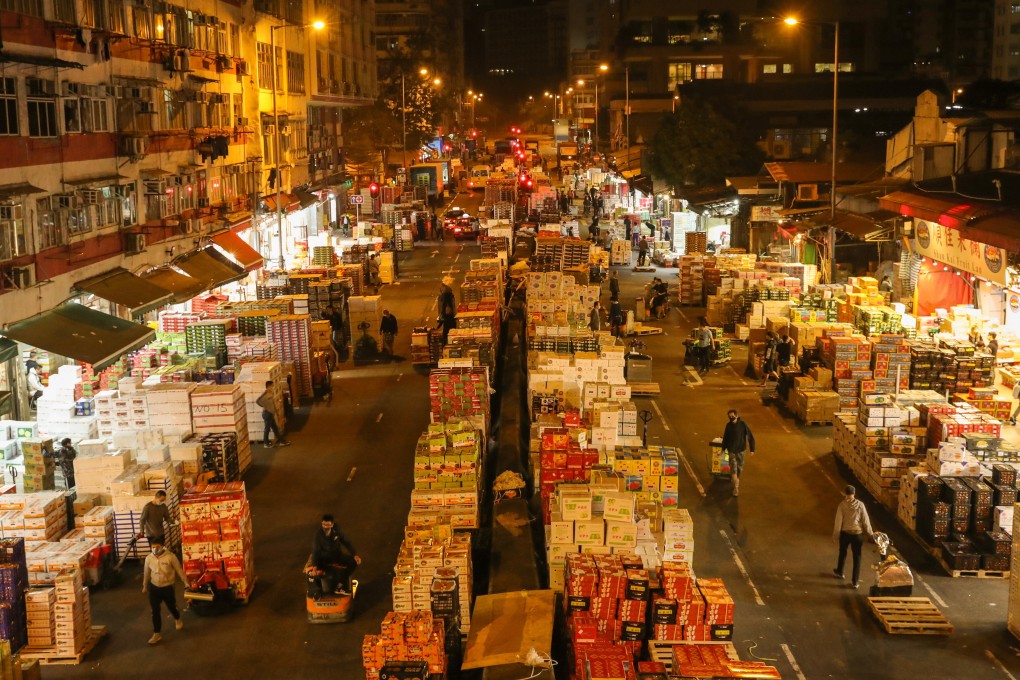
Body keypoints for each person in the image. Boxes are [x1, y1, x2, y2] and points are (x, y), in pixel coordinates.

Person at [142, 538, 186, 645]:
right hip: (154, 588)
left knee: (171, 606)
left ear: (162, 546)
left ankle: (177, 618)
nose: (155, 549)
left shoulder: (171, 557)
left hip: (167, 587)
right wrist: (144, 585)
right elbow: (146, 573)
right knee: (155, 611)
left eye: (157, 547)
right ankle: (157, 633)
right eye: (153, 547)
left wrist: (186, 582)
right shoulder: (149, 558)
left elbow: (179, 570)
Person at [832, 485, 875, 589]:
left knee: (843, 552)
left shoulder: (842, 505)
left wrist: (835, 536)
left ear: (845, 493)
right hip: (857, 534)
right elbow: (865, 521)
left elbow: (838, 522)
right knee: (857, 557)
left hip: (845, 534)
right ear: (854, 493)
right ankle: (855, 582)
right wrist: (871, 534)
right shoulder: (861, 505)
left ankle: (840, 571)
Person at [311, 514, 362, 596]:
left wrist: (355, 555)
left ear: (332, 524)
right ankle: (320, 590)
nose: (325, 527)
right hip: (324, 559)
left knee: (353, 562)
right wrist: (314, 566)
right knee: (321, 573)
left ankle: (340, 586)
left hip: (337, 556)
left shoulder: (337, 530)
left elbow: (346, 542)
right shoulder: (318, 535)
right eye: (323, 524)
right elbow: (315, 551)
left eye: (327, 525)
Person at [721, 409, 755, 497]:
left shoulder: (743, 424)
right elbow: (725, 438)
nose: (731, 418)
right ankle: (736, 487)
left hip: (741, 450)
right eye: (729, 416)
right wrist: (723, 450)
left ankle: (736, 480)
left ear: (737, 415)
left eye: (732, 416)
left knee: (739, 468)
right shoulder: (728, 426)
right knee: (733, 468)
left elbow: (750, 436)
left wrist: (752, 449)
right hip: (731, 450)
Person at [257, 380, 290, 448]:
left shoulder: (271, 393)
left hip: (271, 414)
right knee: (267, 429)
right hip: (267, 414)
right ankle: (266, 443)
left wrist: (276, 412)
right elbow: (257, 401)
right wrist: (264, 406)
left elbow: (273, 403)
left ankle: (282, 441)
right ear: (268, 386)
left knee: (275, 428)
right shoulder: (265, 394)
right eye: (272, 386)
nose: (273, 387)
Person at [438, 277, 457, 344]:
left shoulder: (442, 289)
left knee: (446, 327)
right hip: (448, 314)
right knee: (450, 327)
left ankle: (445, 340)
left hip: (445, 314)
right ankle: (448, 341)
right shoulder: (447, 291)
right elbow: (447, 304)